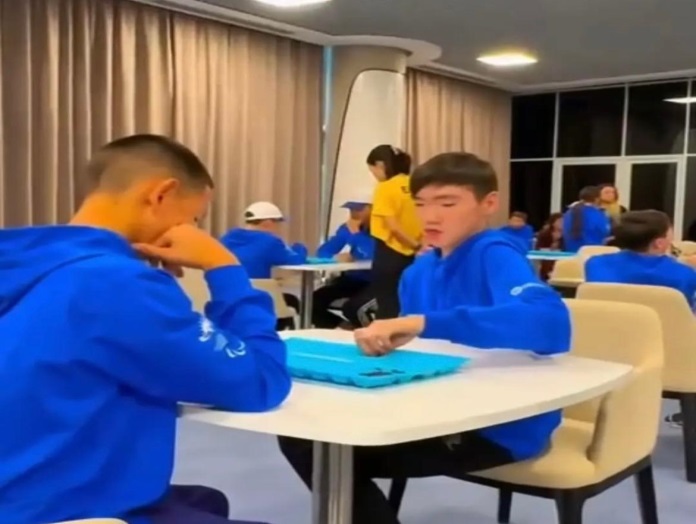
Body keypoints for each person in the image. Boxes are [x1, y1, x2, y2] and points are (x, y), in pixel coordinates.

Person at [0, 135, 291, 524]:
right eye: (193, 221)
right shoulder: (115, 283)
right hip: (63, 510)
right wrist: (223, 266)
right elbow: (259, 381)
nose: (192, 234)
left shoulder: (26, 265)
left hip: (22, 493)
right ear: (160, 195)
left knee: (206, 499)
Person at [278, 152, 571, 524]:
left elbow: (550, 323)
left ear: (489, 203)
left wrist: (421, 323)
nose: (431, 217)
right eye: (420, 204)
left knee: (321, 451)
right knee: (310, 438)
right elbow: (429, 342)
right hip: (437, 405)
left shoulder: (493, 252)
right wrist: (399, 339)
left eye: (448, 204)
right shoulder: (419, 271)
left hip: (497, 426)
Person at [585, 209, 696, 429]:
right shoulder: (684, 275)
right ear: (660, 243)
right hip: (669, 356)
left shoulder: (595, 264)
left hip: (607, 352)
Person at [220, 201, 307, 319]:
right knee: (292, 301)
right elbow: (296, 260)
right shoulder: (270, 241)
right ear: (268, 223)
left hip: (227, 297)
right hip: (257, 296)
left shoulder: (227, 237)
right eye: (277, 223)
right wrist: (300, 247)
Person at [367, 145, 422, 320]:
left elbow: (394, 227)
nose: (375, 176)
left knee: (387, 306)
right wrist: (418, 247)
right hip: (415, 255)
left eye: (373, 171)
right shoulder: (415, 185)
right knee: (410, 305)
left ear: (380, 165)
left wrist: (414, 245)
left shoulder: (385, 188)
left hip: (390, 253)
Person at [312, 197, 376, 328]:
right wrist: (335, 258)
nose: (353, 213)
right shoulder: (347, 229)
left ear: (372, 209)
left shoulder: (381, 230)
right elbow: (323, 252)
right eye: (351, 209)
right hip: (353, 279)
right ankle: (341, 328)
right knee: (314, 300)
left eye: (358, 209)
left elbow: (370, 254)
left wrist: (355, 235)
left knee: (353, 307)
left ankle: (368, 333)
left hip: (375, 281)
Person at [562, 186, 611, 252]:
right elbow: (605, 231)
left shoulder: (569, 213)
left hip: (571, 253)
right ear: (597, 199)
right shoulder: (598, 214)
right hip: (592, 252)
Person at [536, 212, 564, 280]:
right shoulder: (544, 234)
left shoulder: (567, 234)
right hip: (547, 257)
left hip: (561, 257)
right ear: (553, 223)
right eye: (559, 221)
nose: (562, 223)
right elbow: (538, 248)